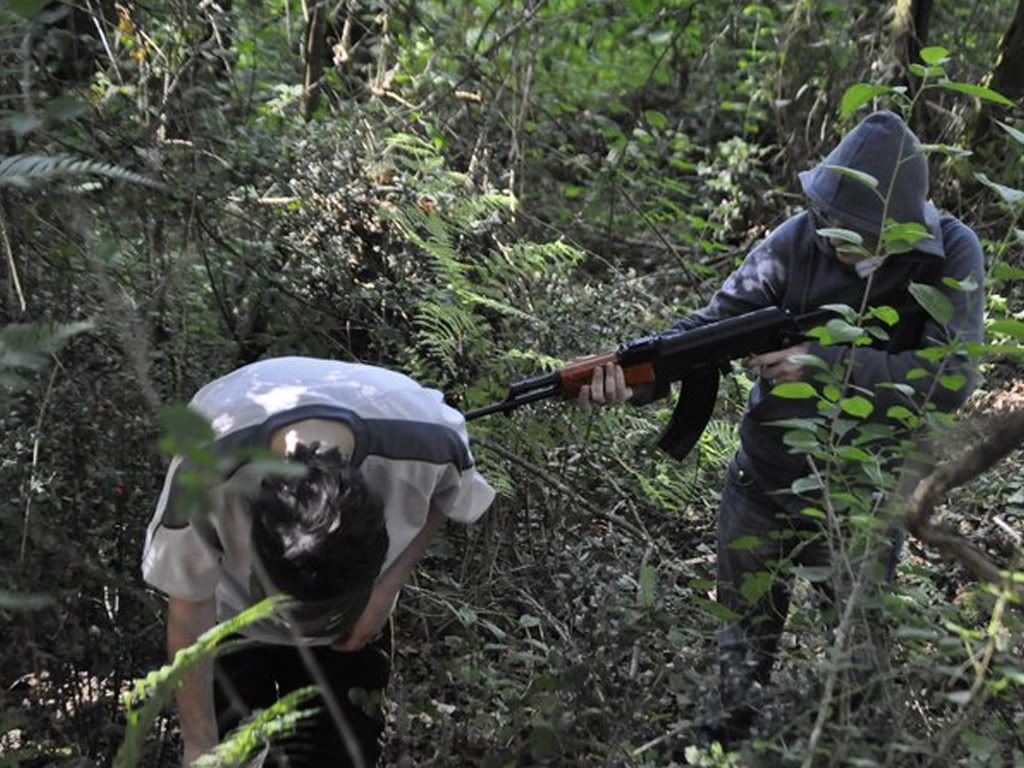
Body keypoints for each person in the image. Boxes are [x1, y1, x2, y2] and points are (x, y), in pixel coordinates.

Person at [580, 111, 985, 740]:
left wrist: (824, 364)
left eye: (853, 233)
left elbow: (949, 380)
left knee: (859, 682)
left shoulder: (952, 254)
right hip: (762, 486)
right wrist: (634, 376)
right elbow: (707, 330)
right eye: (828, 222)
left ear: (903, 229)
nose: (832, 240)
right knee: (736, 678)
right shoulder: (796, 240)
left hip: (861, 499)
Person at [142, 357, 496, 767]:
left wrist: (385, 588)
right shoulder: (206, 473)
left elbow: (446, 497)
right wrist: (199, 744)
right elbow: (189, 607)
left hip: (354, 626)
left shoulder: (428, 442)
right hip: (230, 615)